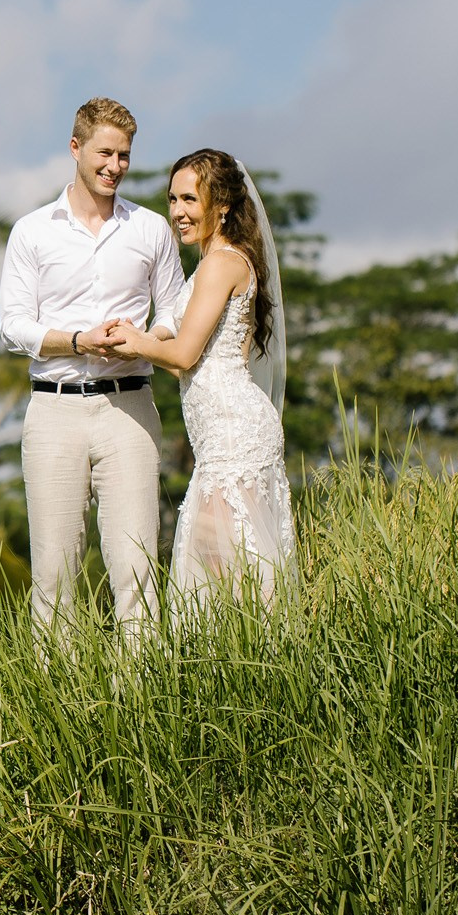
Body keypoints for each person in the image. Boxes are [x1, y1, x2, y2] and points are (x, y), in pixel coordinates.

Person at [0, 97, 188, 635]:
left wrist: (146, 340)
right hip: (54, 412)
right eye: (106, 153)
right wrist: (80, 341)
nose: (115, 166)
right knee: (54, 577)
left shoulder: (150, 229)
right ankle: (56, 707)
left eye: (125, 156)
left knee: (137, 571)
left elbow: (174, 306)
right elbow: (14, 326)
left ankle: (143, 705)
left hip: (130, 408)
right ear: (76, 147)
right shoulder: (32, 232)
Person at [107, 149, 296, 607]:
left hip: (234, 437)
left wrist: (134, 340)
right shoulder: (217, 262)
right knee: (227, 573)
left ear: (223, 204)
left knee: (233, 577)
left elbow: (185, 354)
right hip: (221, 437)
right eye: (173, 200)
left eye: (190, 199)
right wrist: (149, 341)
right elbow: (182, 358)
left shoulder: (220, 263)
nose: (178, 212)